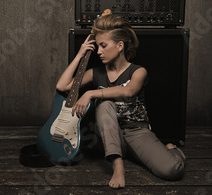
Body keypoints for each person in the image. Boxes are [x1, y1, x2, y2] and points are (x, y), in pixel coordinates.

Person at [55, 14, 186, 189]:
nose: (99, 51)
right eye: (97, 46)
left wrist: (91, 93)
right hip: (106, 136)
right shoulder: (96, 73)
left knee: (173, 170)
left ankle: (172, 150)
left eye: (103, 46)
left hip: (136, 132)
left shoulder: (138, 71)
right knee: (104, 103)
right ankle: (118, 166)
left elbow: (129, 91)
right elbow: (63, 86)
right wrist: (80, 54)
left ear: (120, 46)